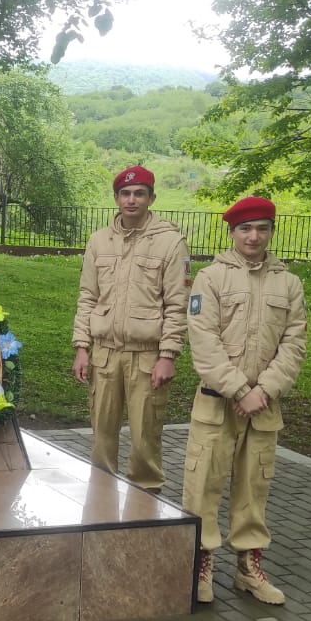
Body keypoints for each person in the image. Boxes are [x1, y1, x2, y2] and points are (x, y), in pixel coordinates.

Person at [182, 196, 308, 606]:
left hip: (264, 407)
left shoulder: (288, 284)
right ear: (232, 232)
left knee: (254, 488)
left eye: (262, 228)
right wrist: (240, 390)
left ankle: (248, 568)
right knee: (204, 486)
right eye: (245, 229)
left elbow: (294, 344)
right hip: (218, 403)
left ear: (271, 231)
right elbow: (203, 342)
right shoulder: (211, 278)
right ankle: (200, 564)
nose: (254, 236)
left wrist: (263, 391)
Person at [71, 165, 190, 492]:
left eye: (139, 193)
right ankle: (101, 500)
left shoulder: (170, 243)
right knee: (102, 436)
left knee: (144, 439)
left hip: (147, 357)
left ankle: (147, 500)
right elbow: (87, 296)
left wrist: (168, 355)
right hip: (105, 355)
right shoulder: (99, 241)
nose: (132, 200)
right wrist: (81, 347)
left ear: (152, 198)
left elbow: (177, 304)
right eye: (125, 193)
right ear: (116, 198)